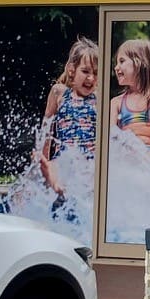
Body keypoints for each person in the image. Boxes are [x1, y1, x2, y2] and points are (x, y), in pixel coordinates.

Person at [34, 38, 100, 198]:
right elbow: (47, 129)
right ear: (72, 70)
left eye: (96, 73)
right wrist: (43, 161)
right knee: (57, 169)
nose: (91, 78)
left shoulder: (99, 99)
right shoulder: (59, 93)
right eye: (85, 71)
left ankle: (63, 188)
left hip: (89, 161)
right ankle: (56, 184)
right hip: (63, 158)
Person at [112, 37, 150, 170]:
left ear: (139, 63)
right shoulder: (116, 103)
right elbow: (110, 140)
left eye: (122, 61)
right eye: (117, 62)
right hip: (125, 157)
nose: (116, 67)